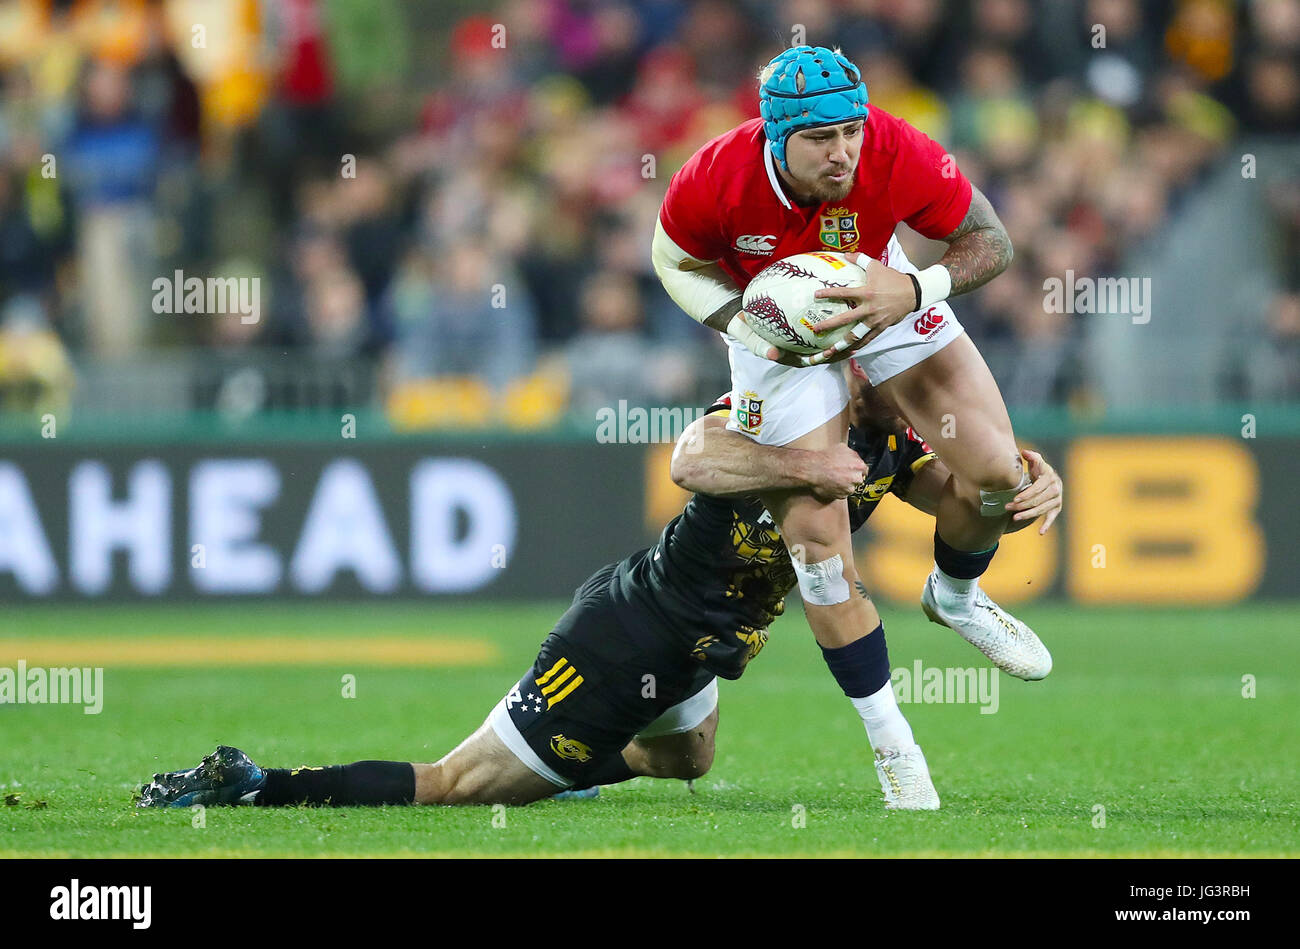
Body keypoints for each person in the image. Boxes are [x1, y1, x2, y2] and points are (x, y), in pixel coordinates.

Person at [137, 364, 1061, 812]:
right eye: (893, 369)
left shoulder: (892, 440)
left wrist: (1021, 485)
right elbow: (695, 455)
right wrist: (796, 460)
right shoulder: (784, 403)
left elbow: (967, 501)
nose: (915, 389)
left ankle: (574, 765)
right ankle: (254, 786)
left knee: (689, 759)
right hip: (628, 634)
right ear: (854, 364)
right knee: (455, 785)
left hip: (694, 643)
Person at [650, 48, 1051, 767]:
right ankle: (895, 748)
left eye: (850, 132)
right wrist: (741, 324)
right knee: (823, 552)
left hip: (883, 292)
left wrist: (917, 289)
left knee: (997, 474)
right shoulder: (713, 176)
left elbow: (992, 241)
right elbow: (673, 260)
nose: (843, 153)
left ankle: (956, 596)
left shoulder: (896, 147)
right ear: (775, 136)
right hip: (774, 333)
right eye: (819, 138)